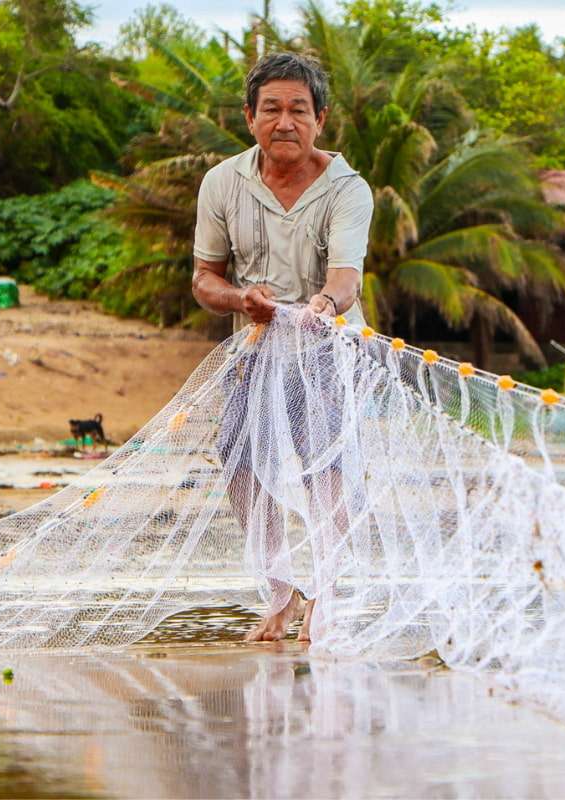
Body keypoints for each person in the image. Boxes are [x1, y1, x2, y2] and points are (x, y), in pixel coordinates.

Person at [191, 52, 373, 643]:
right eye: (271, 109)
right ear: (250, 117)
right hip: (254, 349)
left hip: (328, 349)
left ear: (321, 119)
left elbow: (346, 278)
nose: (285, 122)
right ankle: (279, 591)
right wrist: (241, 299)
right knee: (239, 460)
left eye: (299, 109)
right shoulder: (223, 183)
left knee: (327, 467)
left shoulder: (347, 189)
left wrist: (322, 305)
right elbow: (205, 280)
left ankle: (326, 595)